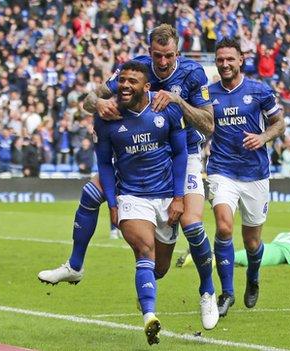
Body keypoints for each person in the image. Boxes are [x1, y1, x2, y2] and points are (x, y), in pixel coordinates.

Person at [38, 25, 219, 328]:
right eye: (157, 56)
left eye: (169, 56)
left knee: (190, 224)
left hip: (182, 155)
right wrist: (99, 104)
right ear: (149, 52)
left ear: (179, 53)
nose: (163, 62)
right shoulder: (133, 71)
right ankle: (75, 265)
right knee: (91, 192)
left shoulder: (192, 73)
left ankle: (207, 292)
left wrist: (178, 102)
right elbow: (89, 100)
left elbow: (209, 126)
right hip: (137, 156)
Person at [94, 61, 188, 343]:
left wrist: (179, 197)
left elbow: (181, 154)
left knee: (159, 268)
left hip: (165, 197)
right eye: (122, 80)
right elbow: (104, 164)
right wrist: (112, 203)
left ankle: (145, 292)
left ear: (146, 87)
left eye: (132, 81)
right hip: (132, 197)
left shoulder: (166, 111)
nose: (124, 85)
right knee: (144, 250)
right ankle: (150, 316)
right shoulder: (107, 117)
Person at [207, 37, 285, 317]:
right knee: (224, 228)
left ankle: (253, 277)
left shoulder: (259, 90)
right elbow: (202, 124)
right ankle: (226, 293)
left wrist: (263, 137)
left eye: (230, 59)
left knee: (252, 242)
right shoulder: (208, 93)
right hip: (221, 170)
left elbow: (279, 123)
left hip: (255, 174)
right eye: (220, 60)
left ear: (241, 60)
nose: (225, 64)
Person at [177, 232, 290, 267]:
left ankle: (201, 256)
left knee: (236, 260)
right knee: (233, 260)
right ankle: (198, 257)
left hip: (271, 247)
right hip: (277, 253)